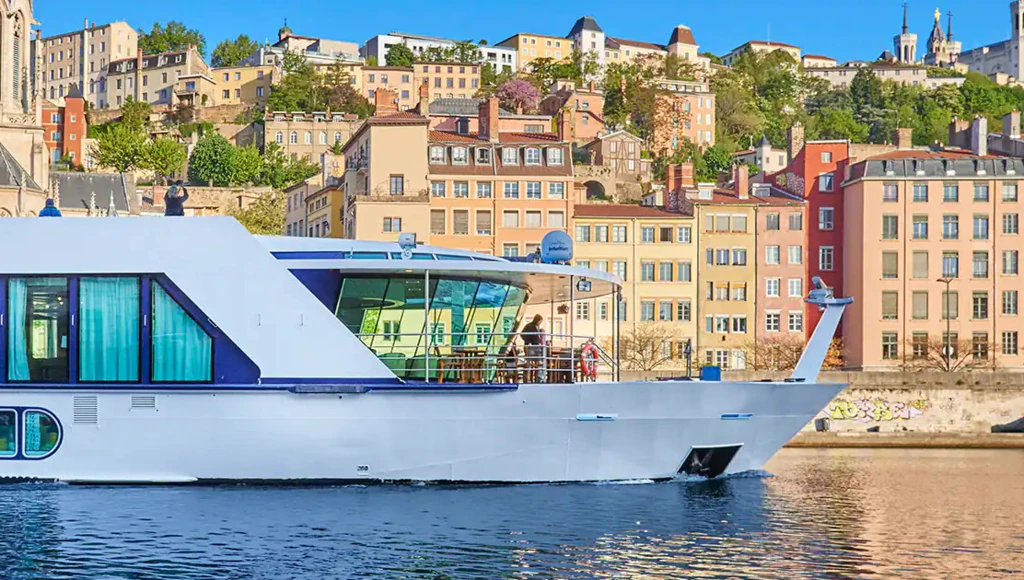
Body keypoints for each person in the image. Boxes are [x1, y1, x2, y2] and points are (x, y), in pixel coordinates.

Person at [520, 314, 547, 383]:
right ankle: (530, 378)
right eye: (540, 321)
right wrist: (528, 341)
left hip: (536, 346)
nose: (540, 323)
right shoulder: (529, 326)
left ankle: (538, 377)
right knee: (531, 362)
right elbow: (522, 334)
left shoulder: (537, 327)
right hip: (531, 346)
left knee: (538, 361)